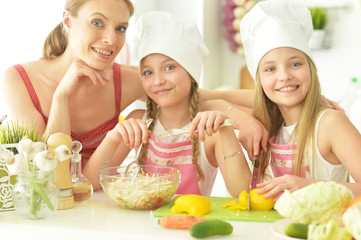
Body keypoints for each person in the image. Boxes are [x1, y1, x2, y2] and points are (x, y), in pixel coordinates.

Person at [0, 0, 269, 170]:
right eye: (97, 23)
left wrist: (237, 111)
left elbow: (191, 97)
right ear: (68, 21)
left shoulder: (124, 81)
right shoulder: (19, 80)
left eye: (120, 28)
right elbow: (45, 170)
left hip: (103, 207)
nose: (110, 40)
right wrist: (61, 96)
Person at [84, 11, 250, 197]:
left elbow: (242, 192)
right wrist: (113, 137)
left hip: (190, 223)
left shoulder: (210, 132)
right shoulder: (139, 120)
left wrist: (225, 129)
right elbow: (89, 182)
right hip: (141, 224)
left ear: (191, 73)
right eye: (148, 72)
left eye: (169, 68)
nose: (157, 81)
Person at [239, 0, 361, 198]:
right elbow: (201, 101)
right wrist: (239, 117)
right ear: (259, 80)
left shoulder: (330, 123)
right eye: (270, 69)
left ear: (310, 69)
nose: (284, 76)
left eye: (295, 64)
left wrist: (312, 187)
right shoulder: (269, 124)